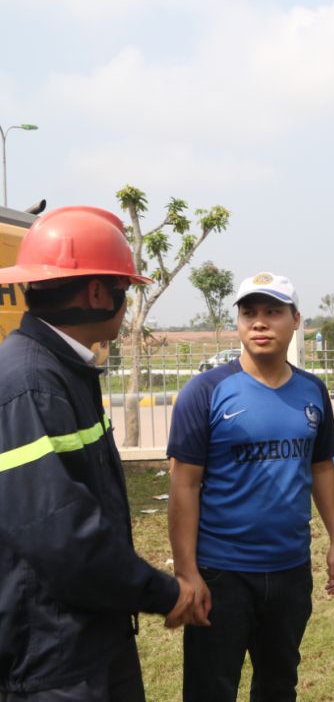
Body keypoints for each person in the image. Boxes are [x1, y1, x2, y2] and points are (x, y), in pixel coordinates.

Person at [0, 206, 197, 701]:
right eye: (123, 290)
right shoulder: (32, 385)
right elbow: (63, 536)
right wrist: (164, 593)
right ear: (96, 292)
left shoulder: (63, 369)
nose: (125, 305)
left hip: (90, 634)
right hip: (54, 657)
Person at [168, 272, 334, 702]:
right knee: (211, 688)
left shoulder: (312, 391)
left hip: (289, 570)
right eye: (249, 313)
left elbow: (322, 468)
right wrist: (187, 572)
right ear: (238, 323)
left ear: (296, 320)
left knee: (278, 684)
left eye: (272, 312)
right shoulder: (205, 392)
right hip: (222, 573)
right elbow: (184, 486)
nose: (260, 323)